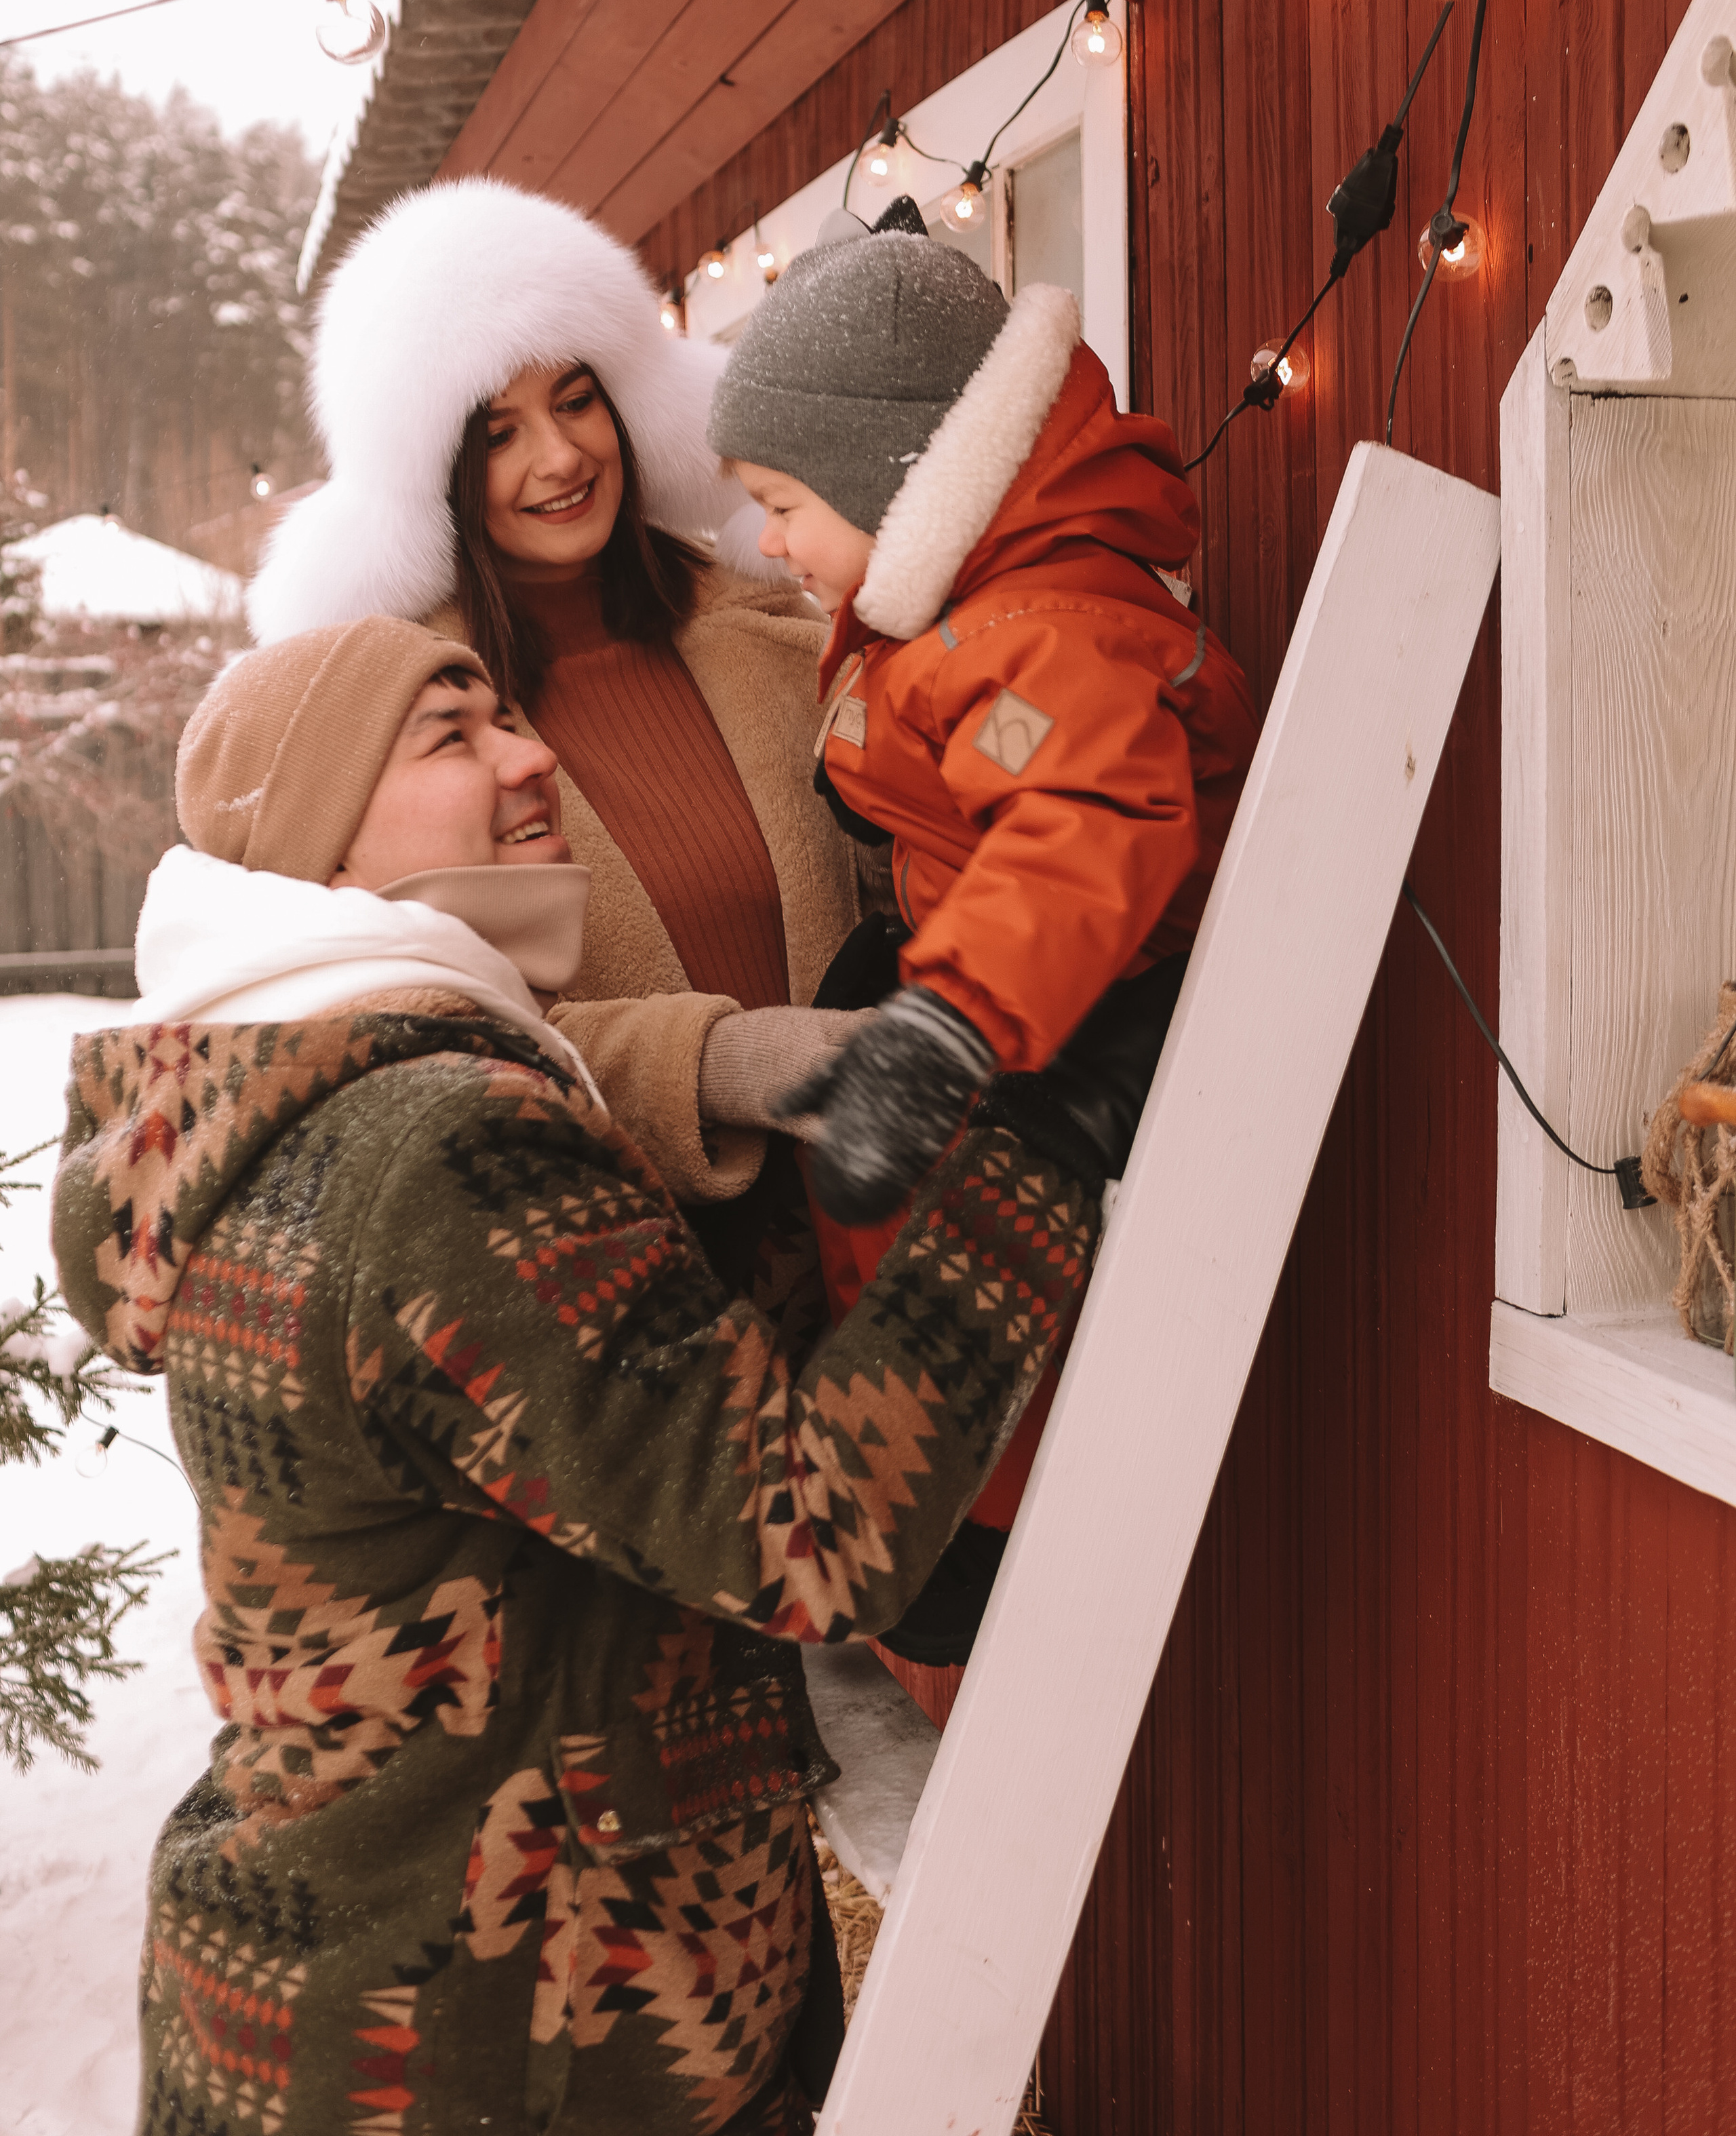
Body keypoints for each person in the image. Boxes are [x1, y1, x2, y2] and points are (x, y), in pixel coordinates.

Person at [52, 617, 1106, 2136]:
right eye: (450, 733)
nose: (532, 753)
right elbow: (801, 1533)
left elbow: (604, 1422)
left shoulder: (269, 1115)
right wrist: (1038, 1152)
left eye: (507, 715)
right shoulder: (432, 1142)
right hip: (498, 2042)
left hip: (341, 1998)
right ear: (324, 838)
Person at [248, 178, 873, 1228]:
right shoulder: (410, 735)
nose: (560, 456)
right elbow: (429, 1024)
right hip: (617, 1262)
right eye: (496, 434)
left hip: (881, 1212)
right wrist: (712, 1064)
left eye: (576, 400)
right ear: (430, 475)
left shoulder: (775, 629)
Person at [708, 218, 1259, 1229]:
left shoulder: (1034, 641)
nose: (770, 540)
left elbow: (1078, 828)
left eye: (783, 503)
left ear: (892, 478)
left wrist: (948, 1026)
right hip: (1032, 987)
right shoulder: (968, 618)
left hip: (1099, 1020)